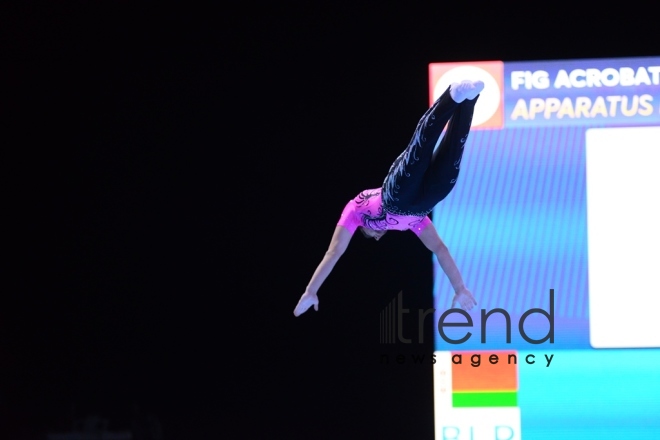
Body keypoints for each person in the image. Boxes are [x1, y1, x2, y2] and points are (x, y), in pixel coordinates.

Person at [293, 79, 483, 317]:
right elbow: (440, 249)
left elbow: (334, 252)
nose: (376, 238)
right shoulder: (413, 225)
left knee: (419, 149)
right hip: (422, 207)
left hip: (393, 195)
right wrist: (460, 288)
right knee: (453, 156)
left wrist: (311, 290)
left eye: (371, 236)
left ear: (366, 229)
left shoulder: (356, 213)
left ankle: (452, 96)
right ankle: (469, 100)